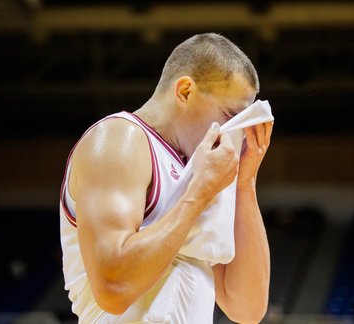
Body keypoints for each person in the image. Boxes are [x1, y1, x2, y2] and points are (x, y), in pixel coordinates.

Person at [59, 32, 273, 323]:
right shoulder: (119, 139)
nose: (234, 132)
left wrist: (245, 182)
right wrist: (198, 194)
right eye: (229, 116)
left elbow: (246, 308)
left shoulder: (199, 169)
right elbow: (114, 289)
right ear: (185, 91)